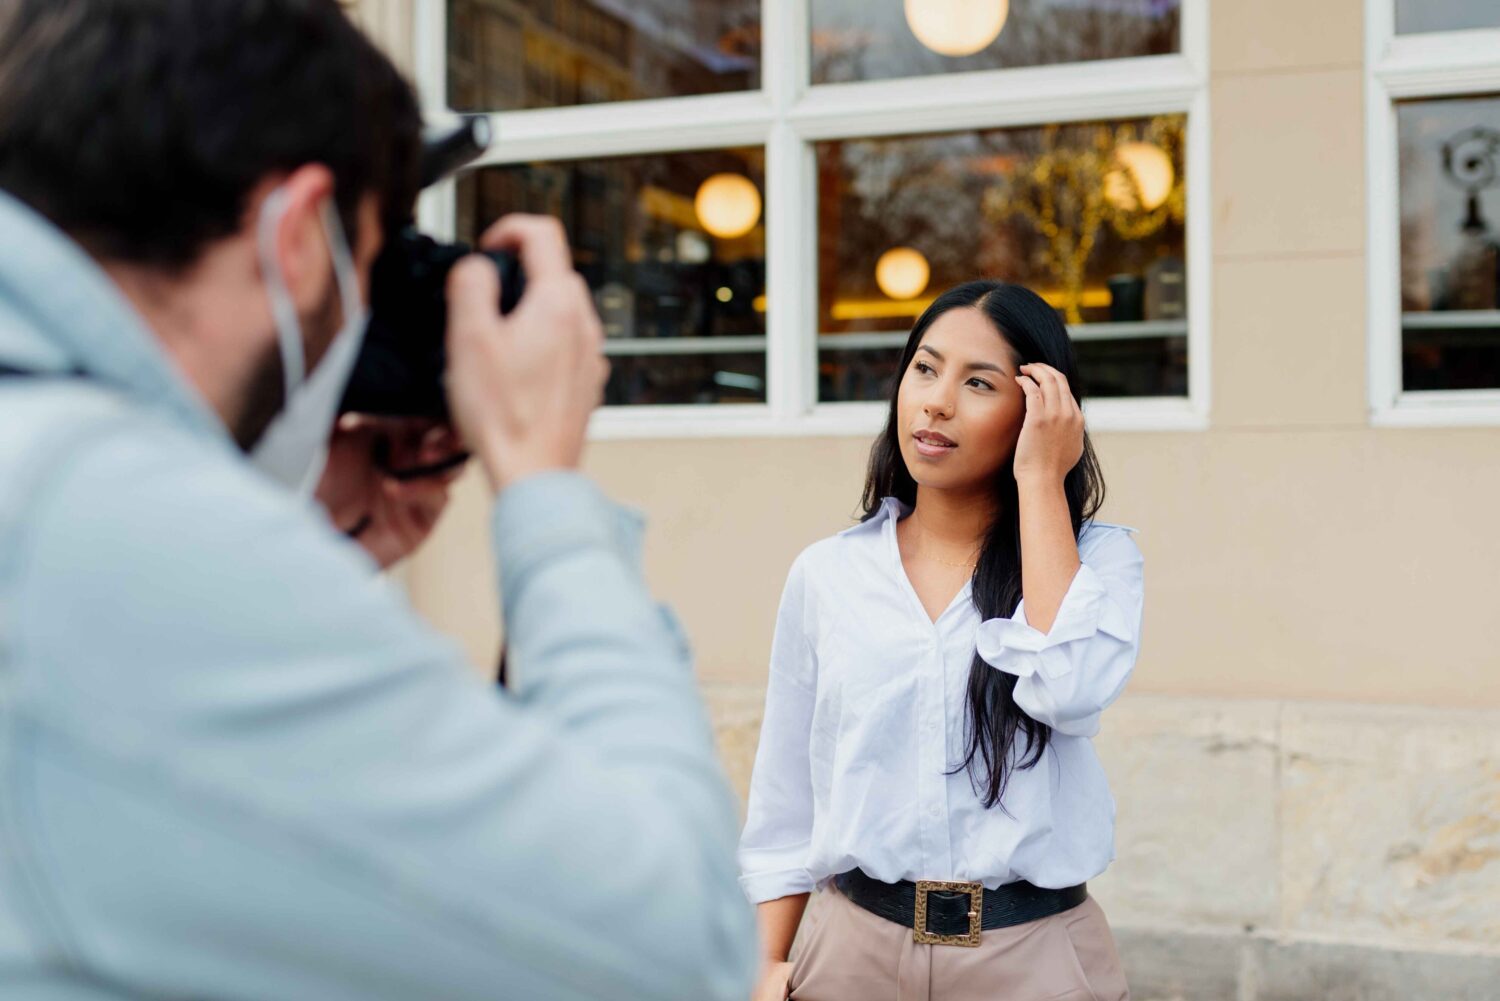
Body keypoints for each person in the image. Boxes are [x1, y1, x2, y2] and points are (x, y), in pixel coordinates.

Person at [0, 2, 756, 998]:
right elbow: (676, 941)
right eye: (371, 254)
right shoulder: (91, 522)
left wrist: (314, 547)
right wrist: (546, 490)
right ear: (298, 235)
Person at [739, 281, 1143, 1001]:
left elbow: (1070, 684)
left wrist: (1041, 478)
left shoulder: (1099, 564)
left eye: (978, 382)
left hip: (1033, 957)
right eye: (924, 369)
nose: (936, 401)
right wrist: (762, 964)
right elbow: (785, 797)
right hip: (851, 953)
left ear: (1037, 409)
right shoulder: (829, 574)